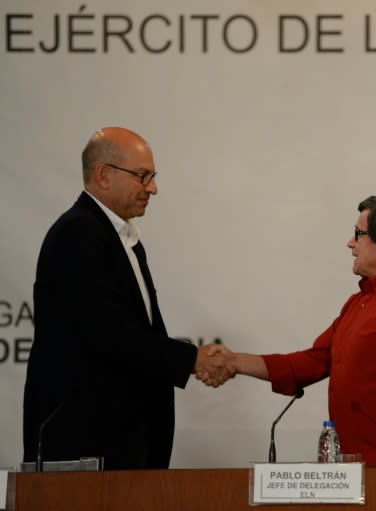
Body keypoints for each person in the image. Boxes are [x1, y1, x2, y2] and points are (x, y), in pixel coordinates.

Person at [23, 127, 234, 470]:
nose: (153, 188)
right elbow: (109, 334)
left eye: (152, 176)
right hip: (85, 450)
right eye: (142, 176)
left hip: (120, 447)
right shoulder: (77, 234)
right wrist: (192, 358)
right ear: (104, 175)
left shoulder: (121, 239)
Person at [201, 194, 376, 466]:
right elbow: (313, 361)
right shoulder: (361, 302)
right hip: (355, 472)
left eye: (359, 234)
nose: (350, 243)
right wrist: (234, 362)